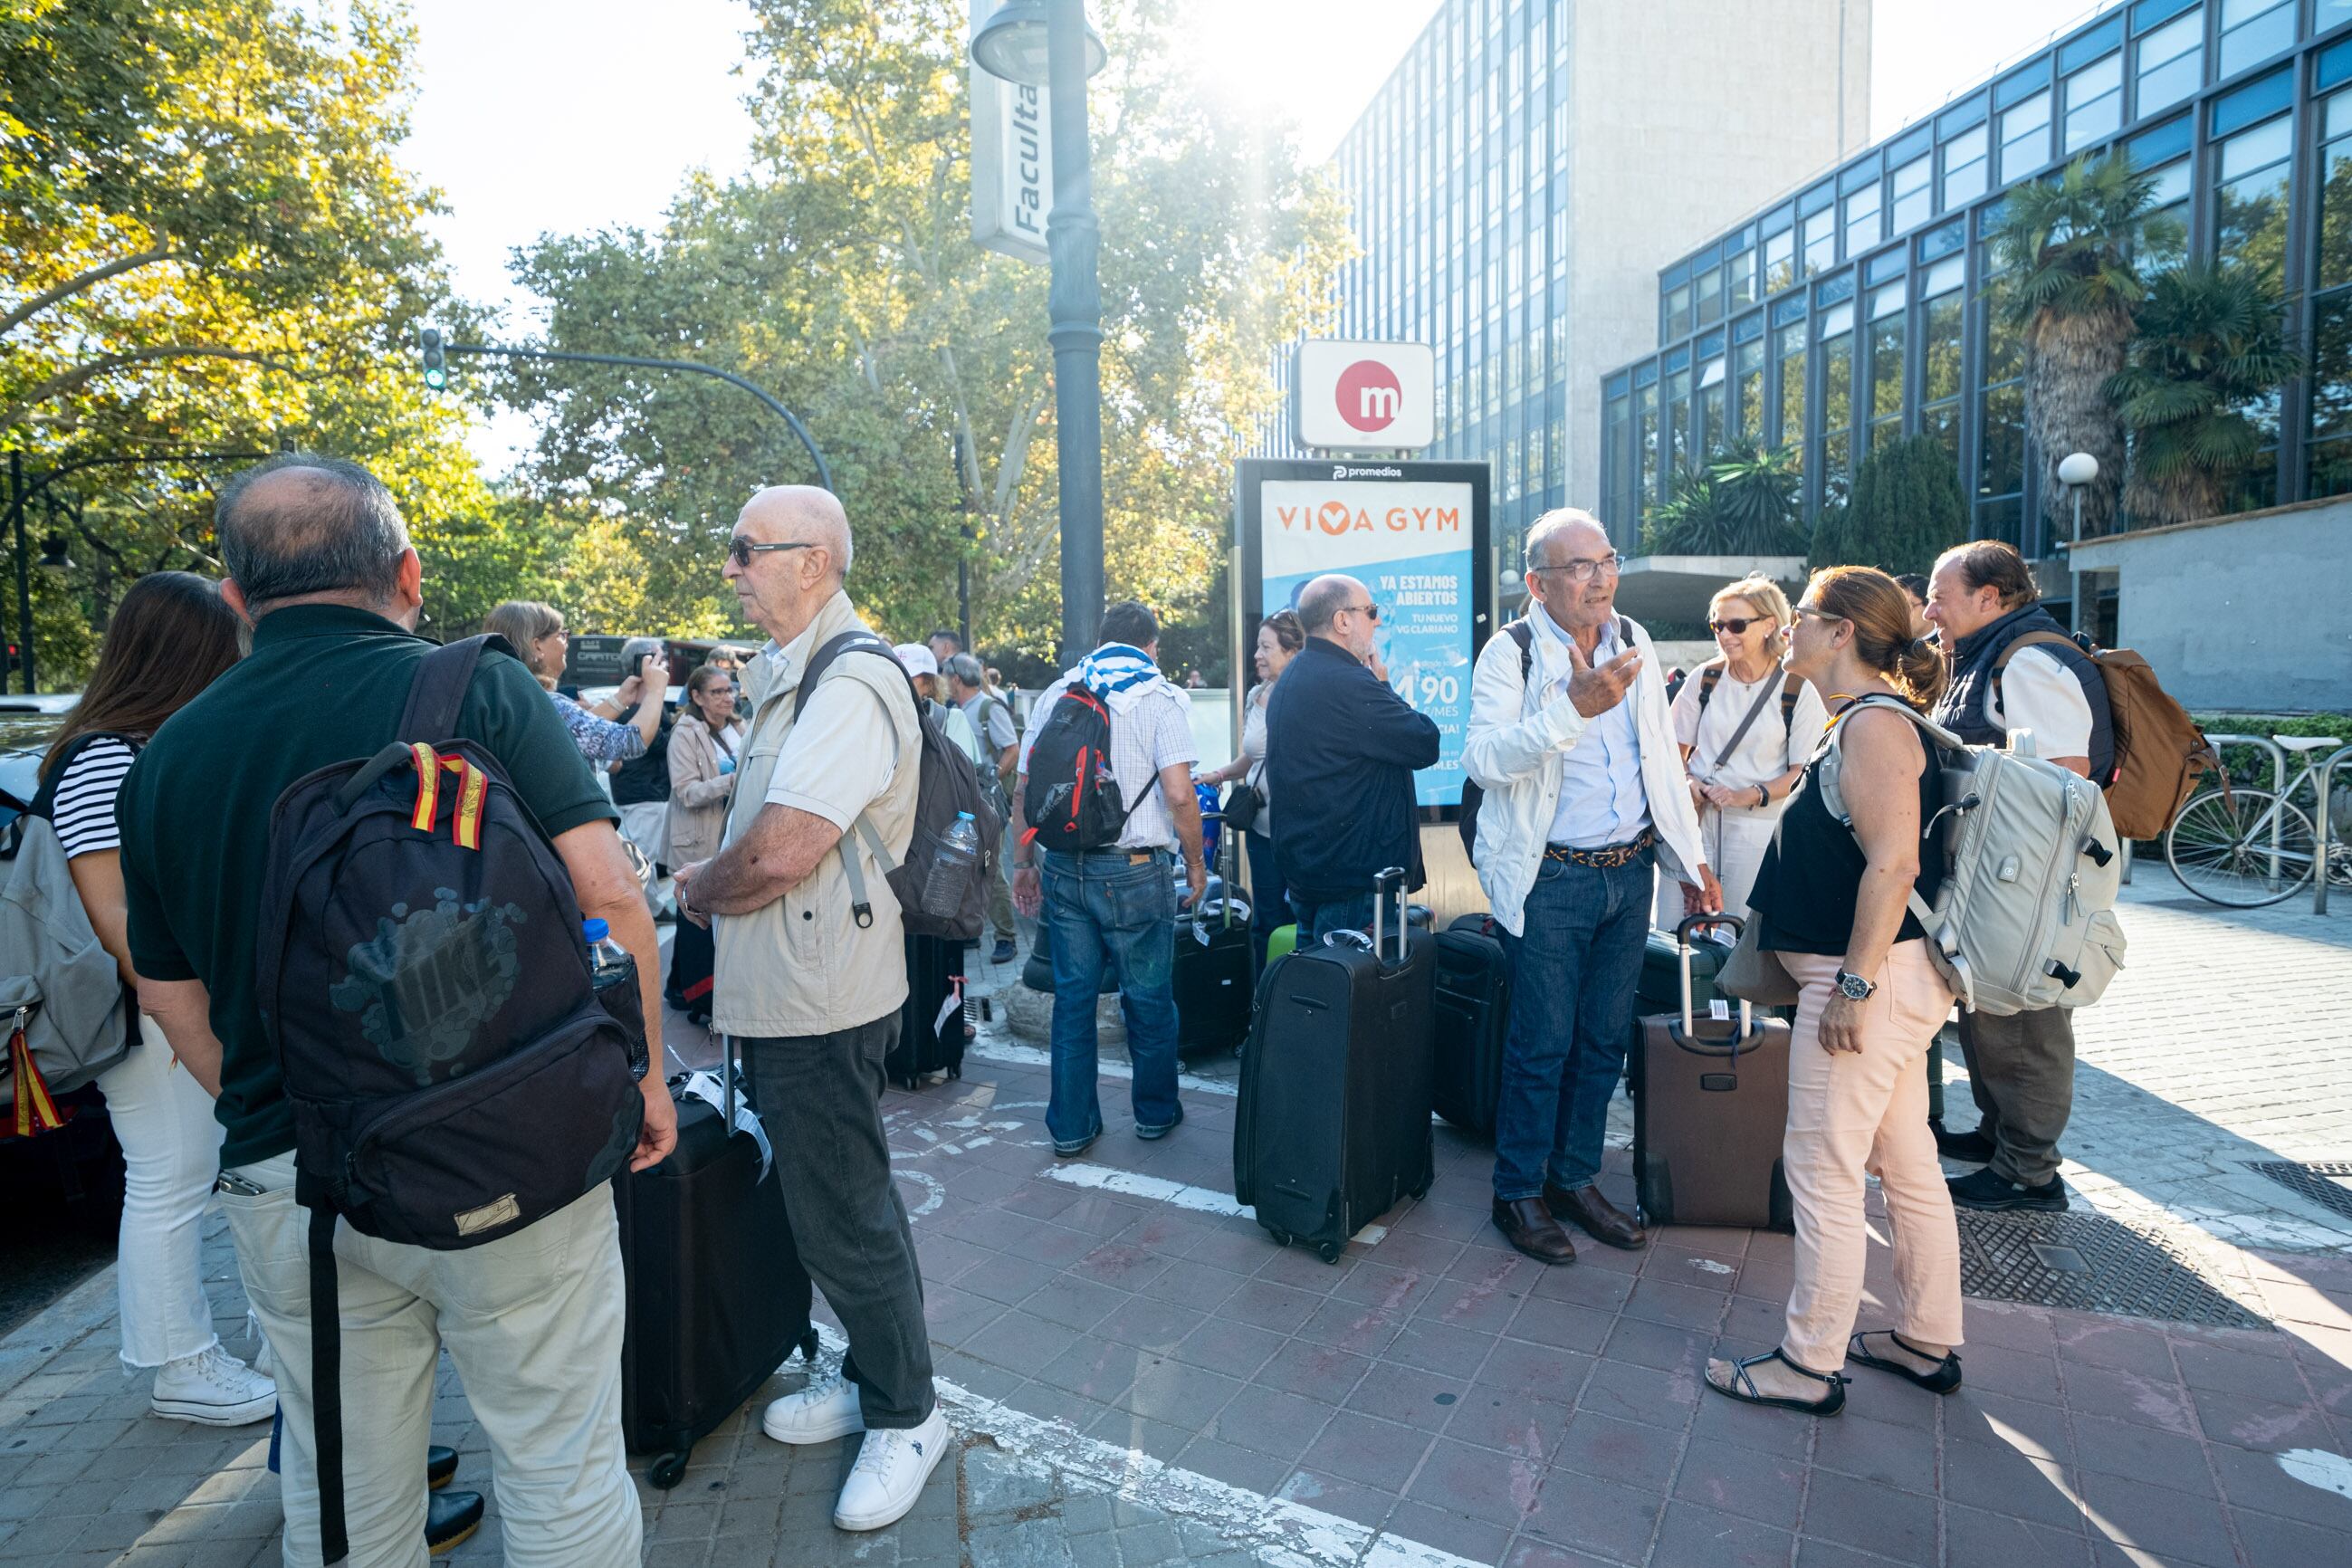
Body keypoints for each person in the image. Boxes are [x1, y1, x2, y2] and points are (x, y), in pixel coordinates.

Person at [118, 454, 673, 1567]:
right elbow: (611, 894)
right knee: (558, 1464)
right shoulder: (480, 687)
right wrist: (645, 1076)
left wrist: (286, 1109)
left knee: (344, 1491)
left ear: (237, 601)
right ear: (408, 575)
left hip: (300, 1176)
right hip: (509, 1150)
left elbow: (169, 994)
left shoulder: (165, 758)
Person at [671, 485, 947, 1533]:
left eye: (748, 549)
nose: (732, 566)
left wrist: (694, 890)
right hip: (799, 985)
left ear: (814, 562)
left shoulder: (851, 676)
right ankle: (877, 1368)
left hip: (819, 997)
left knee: (845, 1207)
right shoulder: (801, 673)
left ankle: (908, 1411)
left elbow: (784, 849)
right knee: (837, 1201)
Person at [1705, 565, 1964, 1416]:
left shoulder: (1877, 727)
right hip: (1885, 979)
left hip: (1866, 982)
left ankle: (1808, 1363)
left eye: (1804, 616)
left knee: (1824, 1168)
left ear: (1842, 631)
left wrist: (1851, 985)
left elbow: (1895, 864)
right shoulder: (1863, 720)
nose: (1789, 631)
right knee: (1904, 1159)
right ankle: (1926, 1338)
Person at [36, 574, 276, 1426]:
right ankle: (181, 1365)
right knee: (170, 1180)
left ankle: (210, 1354)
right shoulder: (105, 756)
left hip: (168, 1005)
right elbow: (115, 917)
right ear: (185, 655)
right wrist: (183, 1008)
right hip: (148, 1016)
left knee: (184, 1175)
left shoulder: (129, 747)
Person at [1461, 511, 1720, 1266]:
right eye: (1580, 566)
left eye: (1607, 559)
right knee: (1541, 1043)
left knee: (1603, 1042)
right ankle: (1518, 1192)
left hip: (1628, 871)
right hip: (1553, 880)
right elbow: (1484, 760)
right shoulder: (1507, 654)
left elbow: (1658, 762)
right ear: (1539, 583)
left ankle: (1573, 1179)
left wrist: (1689, 859)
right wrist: (1571, 710)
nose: (1601, 577)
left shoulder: (1633, 638)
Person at [1924, 540, 2110, 1213]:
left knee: (2025, 1011)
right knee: (1989, 1004)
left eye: (1941, 596)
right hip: (2000, 868)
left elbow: (2066, 775)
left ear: (1990, 598)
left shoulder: (2026, 659)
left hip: (2024, 875)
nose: (1930, 609)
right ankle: (2000, 1135)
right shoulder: (1993, 655)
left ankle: (2030, 1171)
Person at [1009, 600, 1205, 1158]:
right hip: (1136, 871)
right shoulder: (1158, 697)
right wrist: (1194, 863)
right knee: (1148, 996)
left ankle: (1072, 1126)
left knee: (1073, 1002)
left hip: (1066, 868)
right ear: (1150, 645)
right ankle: (1155, 1114)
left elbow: (1025, 788)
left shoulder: (1058, 692)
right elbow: (1179, 794)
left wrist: (1025, 864)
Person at [1267, 576, 1440, 944]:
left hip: (1313, 875)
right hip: (1350, 884)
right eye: (1371, 612)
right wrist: (1383, 686)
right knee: (1350, 996)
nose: (1377, 622)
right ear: (1342, 621)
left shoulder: (1295, 675)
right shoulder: (1348, 683)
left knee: (1318, 993)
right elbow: (1425, 743)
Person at [1658, 575, 1827, 924]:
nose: (1724, 635)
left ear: (1769, 625)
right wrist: (1690, 783)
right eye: (1717, 625)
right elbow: (1671, 754)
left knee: (1740, 936)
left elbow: (1803, 773)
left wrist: (1745, 795)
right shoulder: (1705, 679)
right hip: (1696, 824)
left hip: (1757, 832)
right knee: (1679, 931)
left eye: (1736, 625)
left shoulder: (1796, 687)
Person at [1196, 609, 1303, 962]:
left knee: (1300, 920)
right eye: (1258, 646)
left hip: (1301, 830)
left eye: (1265, 647)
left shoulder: (1307, 696)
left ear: (1292, 650)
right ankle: (1265, 1001)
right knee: (1267, 920)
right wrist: (1220, 775)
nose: (1257, 654)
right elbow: (1253, 756)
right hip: (1261, 828)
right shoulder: (1257, 694)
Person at [483, 600, 670, 767]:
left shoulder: (503, 702)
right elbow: (630, 741)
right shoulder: (547, 706)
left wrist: (621, 699)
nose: (566, 643)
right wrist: (656, 690)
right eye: (561, 635)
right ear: (537, 646)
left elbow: (572, 731)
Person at [664, 663, 741, 1026]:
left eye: (729, 690)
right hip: (696, 838)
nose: (727, 697)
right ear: (696, 697)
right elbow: (687, 792)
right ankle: (694, 995)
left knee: (696, 920)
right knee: (694, 919)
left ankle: (680, 988)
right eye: (717, 692)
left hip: (728, 838)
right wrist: (733, 781)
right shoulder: (686, 733)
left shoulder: (740, 727)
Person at [946, 651, 1022, 965]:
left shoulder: (988, 709)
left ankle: (1006, 938)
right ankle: (973, 931)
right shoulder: (956, 710)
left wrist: (992, 776)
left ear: (956, 679)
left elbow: (1013, 750)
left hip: (988, 804)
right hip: (966, 803)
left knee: (990, 869)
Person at [607, 635, 677, 877]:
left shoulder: (640, 701)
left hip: (641, 790)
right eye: (660, 659)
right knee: (645, 857)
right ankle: (651, 911)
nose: (665, 666)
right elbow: (654, 742)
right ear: (646, 663)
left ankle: (654, 909)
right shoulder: (637, 703)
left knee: (645, 855)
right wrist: (683, 732)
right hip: (645, 791)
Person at [1893, 572, 1932, 639]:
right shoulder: (1888, 645)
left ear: (1929, 605)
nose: (1899, 615)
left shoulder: (1951, 644)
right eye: (1894, 608)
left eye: (1907, 607)